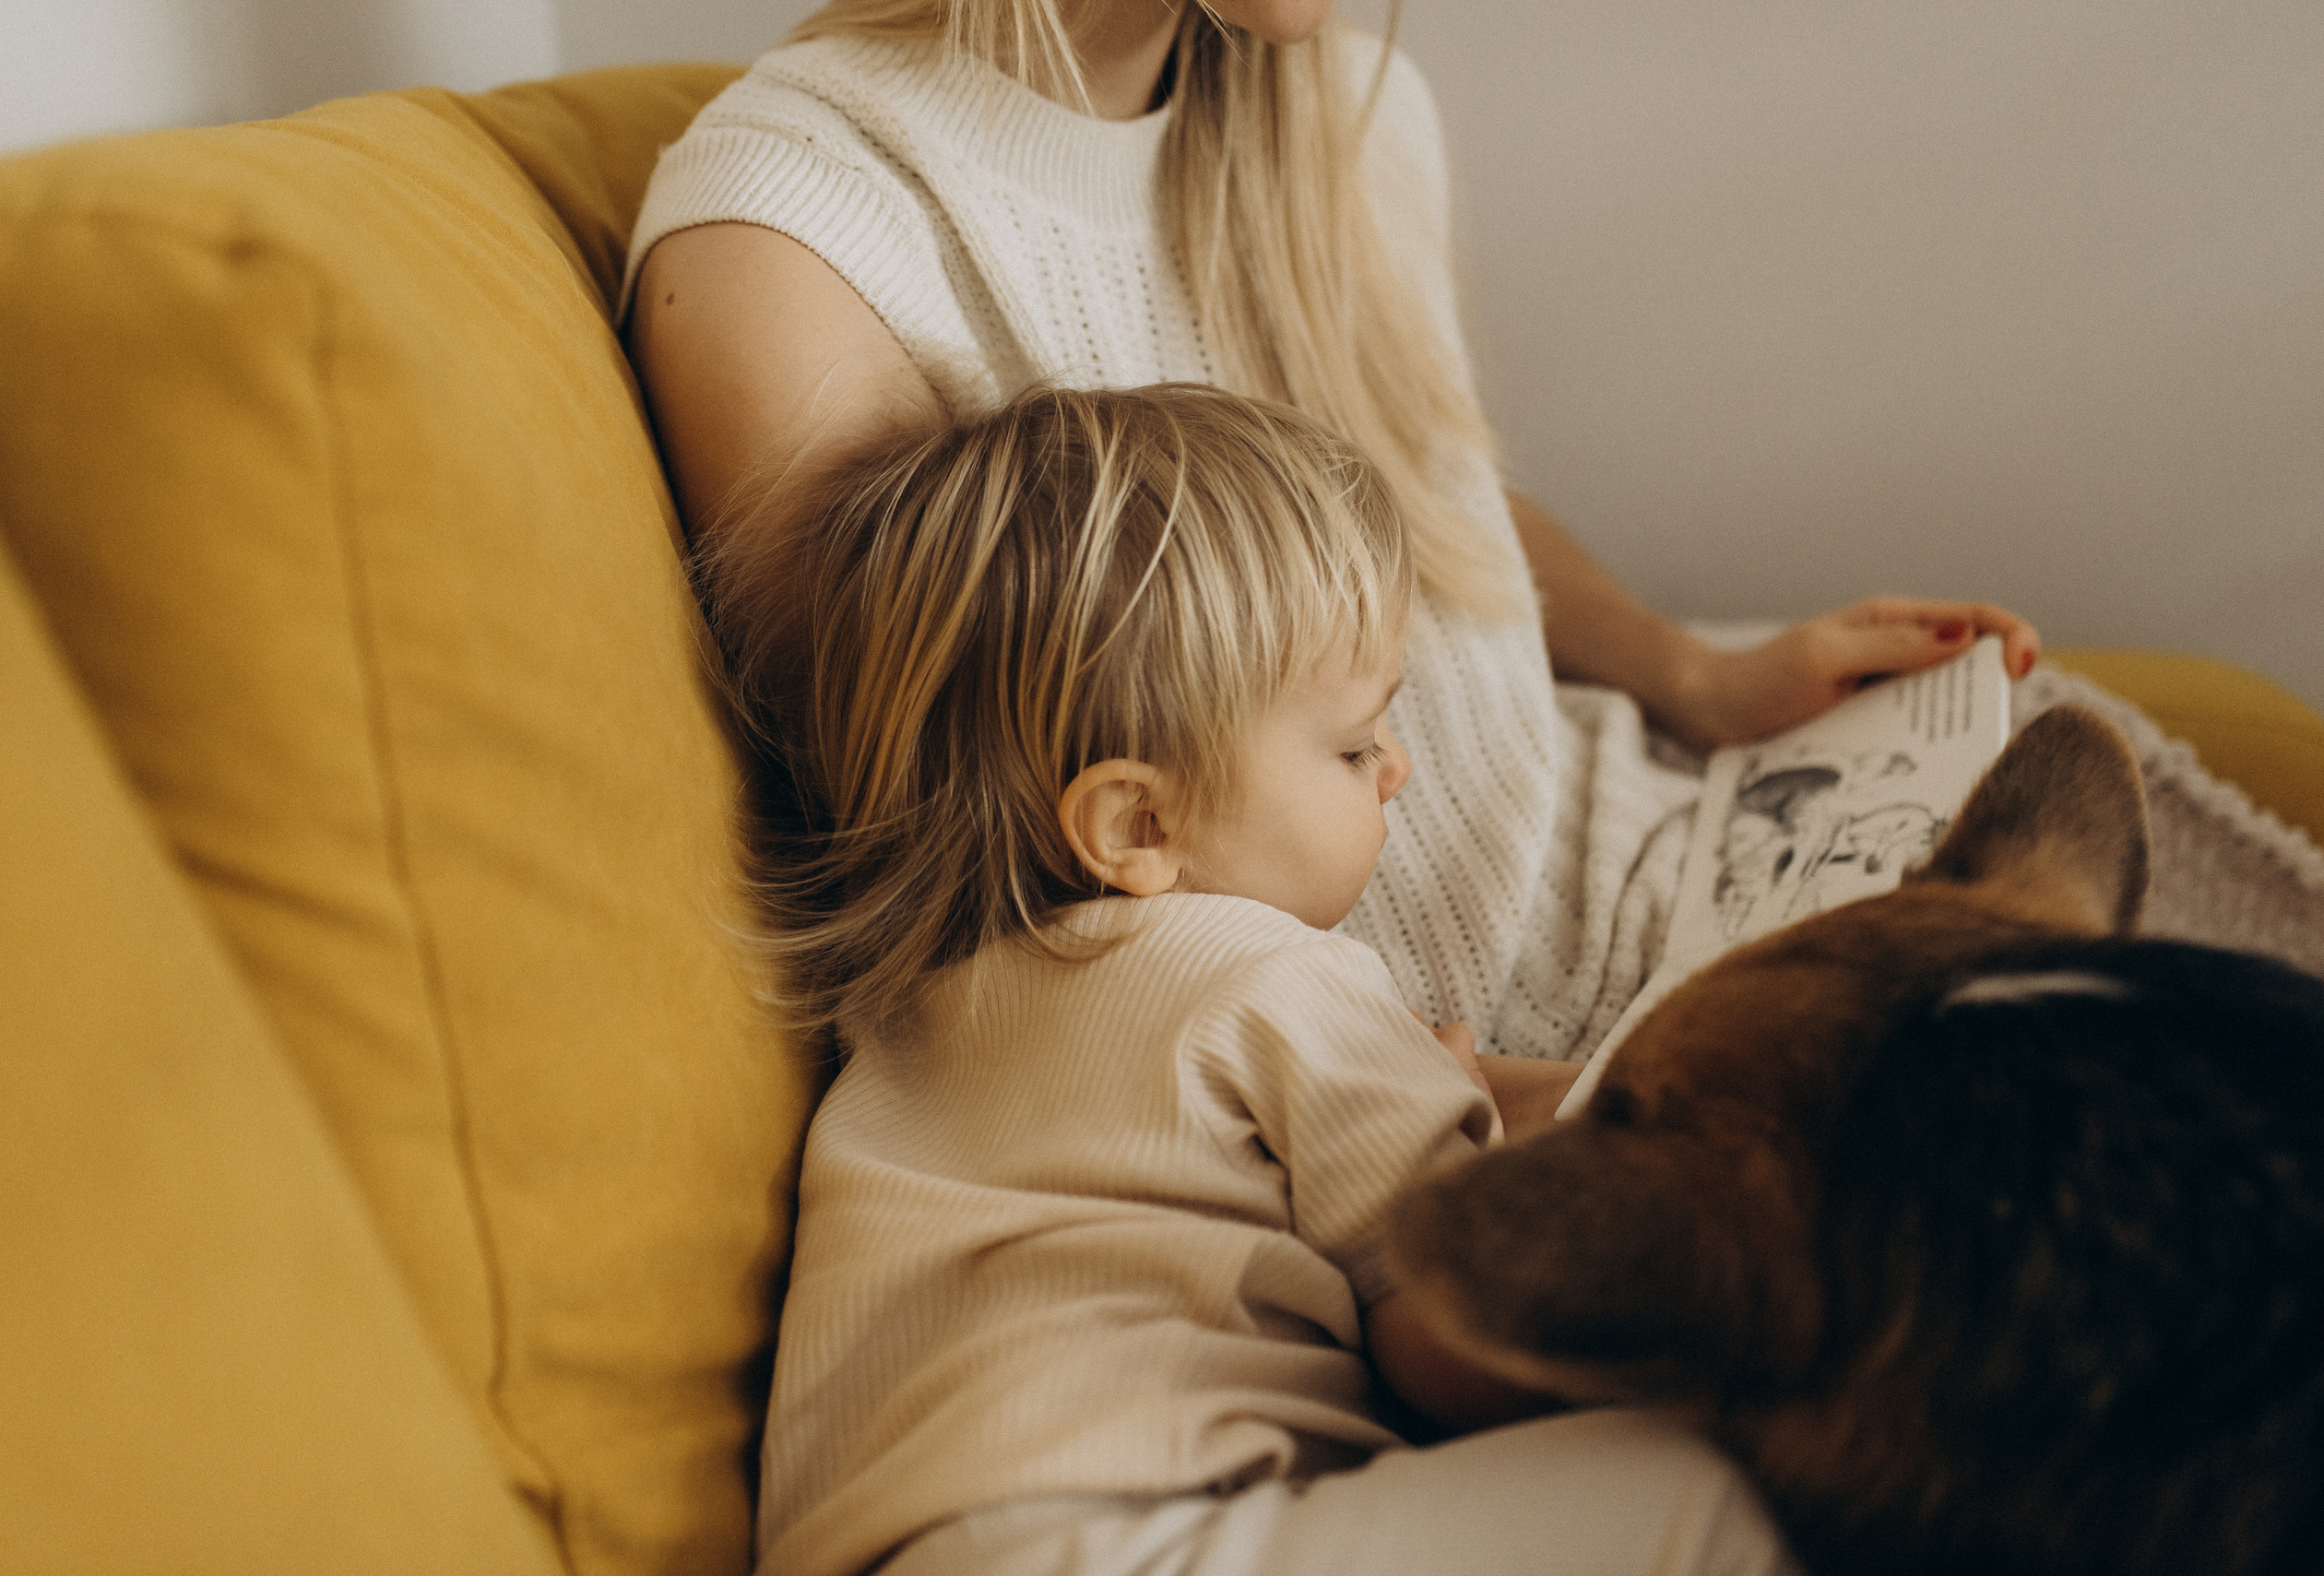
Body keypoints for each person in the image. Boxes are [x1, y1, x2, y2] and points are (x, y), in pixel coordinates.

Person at [624, 0, 2041, 1070]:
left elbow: (1429, 499)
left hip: (1663, 866)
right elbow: (949, 888)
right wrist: (1436, 1102)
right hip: (1412, 1088)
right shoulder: (788, 230)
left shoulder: (1354, 115)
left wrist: (1694, 675)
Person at [727, 381, 1796, 1576]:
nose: (1394, 768)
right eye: (1350, 745)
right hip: (1131, 1540)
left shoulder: (903, 1017)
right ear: (1137, 824)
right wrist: (1472, 1140)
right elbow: (1460, 1348)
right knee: (1710, 1504)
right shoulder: (1280, 976)